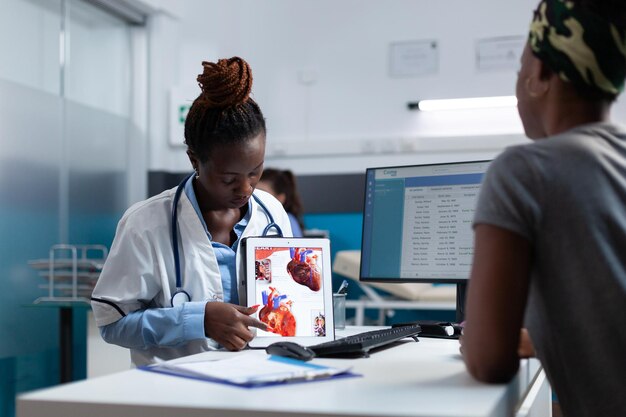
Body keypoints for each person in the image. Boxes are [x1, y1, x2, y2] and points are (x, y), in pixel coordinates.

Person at [461, 1, 626, 416]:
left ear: (540, 75)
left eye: (520, 69)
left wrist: (479, 337)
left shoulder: (524, 172)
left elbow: (489, 361)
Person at [90, 57, 293, 366]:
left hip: (260, 381)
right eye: (229, 179)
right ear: (194, 161)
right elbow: (113, 324)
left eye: (255, 172)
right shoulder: (145, 224)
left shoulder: (272, 216)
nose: (246, 189)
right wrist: (197, 319)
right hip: (175, 394)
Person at [256, 168, 305, 237]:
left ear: (280, 198)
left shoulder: (287, 221)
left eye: (263, 194)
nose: (255, 198)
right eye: (255, 193)